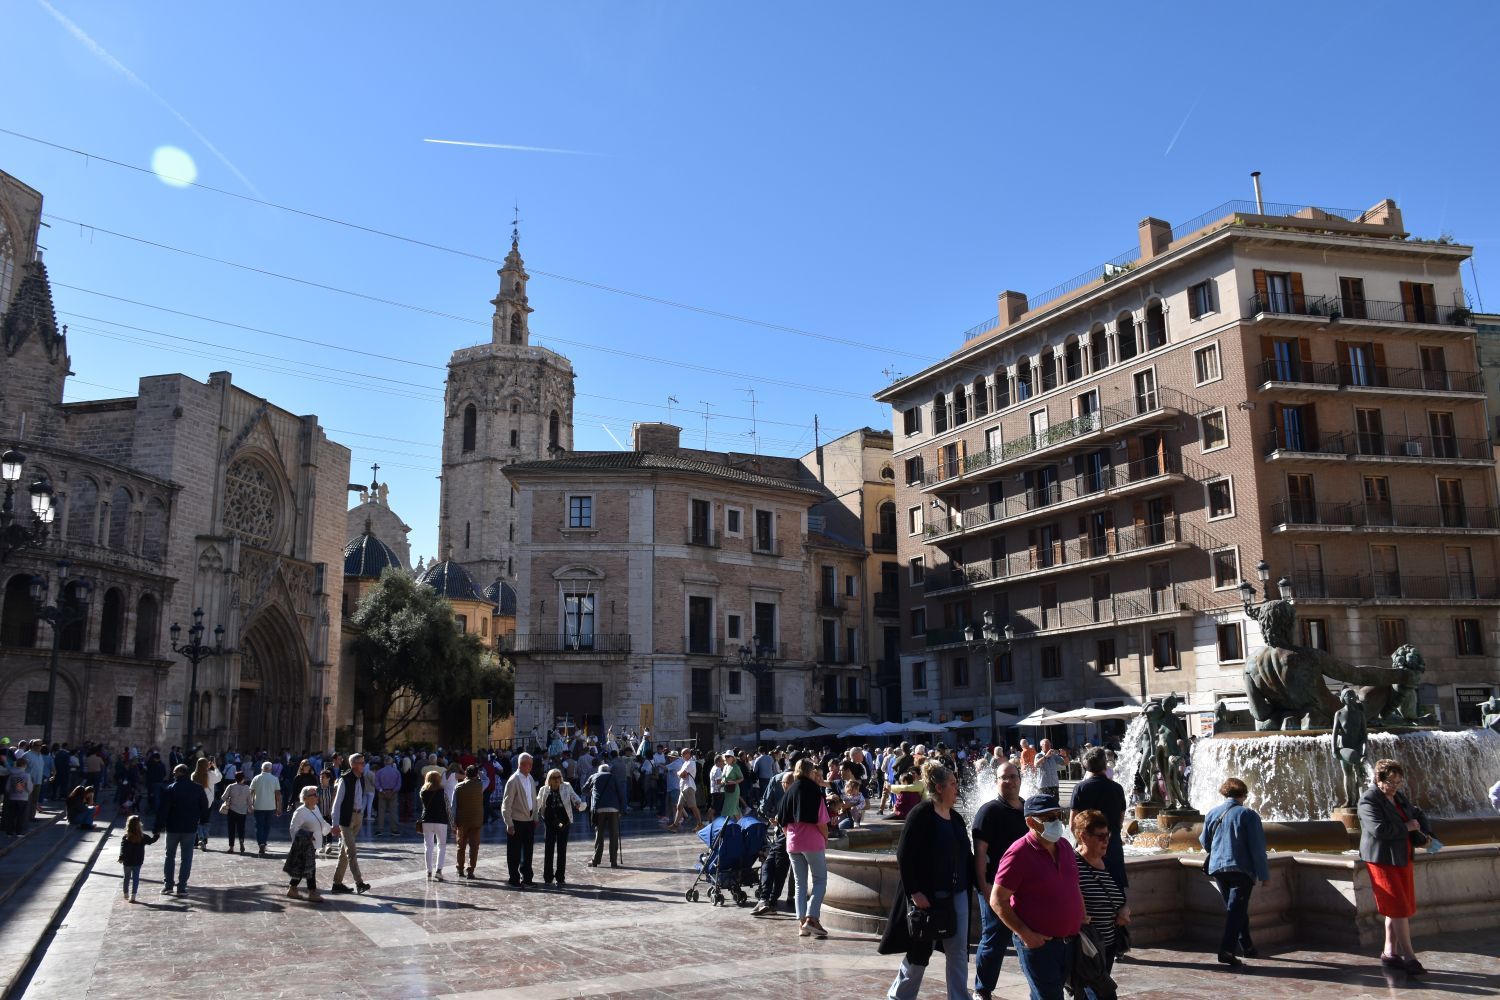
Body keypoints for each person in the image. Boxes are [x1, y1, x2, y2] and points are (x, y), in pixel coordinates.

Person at [879, 761, 974, 1000]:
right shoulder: (921, 814)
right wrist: (914, 892)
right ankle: (899, 996)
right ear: (940, 788)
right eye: (953, 784)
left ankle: (959, 997)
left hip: (958, 893)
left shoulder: (956, 819)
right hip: (929, 895)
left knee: (958, 951)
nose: (957, 789)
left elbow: (965, 855)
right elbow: (904, 855)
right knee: (920, 952)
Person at [991, 794, 1084, 1000]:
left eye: (1058, 815)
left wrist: (1081, 916)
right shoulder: (1018, 853)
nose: (1057, 821)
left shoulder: (1065, 847)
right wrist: (1025, 934)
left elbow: (1073, 884)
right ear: (1031, 822)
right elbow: (997, 900)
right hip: (1040, 946)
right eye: (1049, 817)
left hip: (1069, 944)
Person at [1359, 759, 1429, 975]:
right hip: (1383, 861)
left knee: (1398, 906)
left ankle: (1389, 953)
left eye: (1399, 781)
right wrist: (1406, 827)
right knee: (1398, 907)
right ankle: (1409, 957)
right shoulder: (1368, 800)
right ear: (1378, 779)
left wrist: (1426, 835)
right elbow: (1379, 830)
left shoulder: (1397, 796)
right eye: (1391, 781)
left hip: (1402, 857)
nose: (1395, 786)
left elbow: (1415, 813)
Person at [971, 761, 1028, 1000]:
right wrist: (984, 888)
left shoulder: (1027, 809)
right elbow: (980, 853)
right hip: (996, 887)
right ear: (996, 781)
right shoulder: (988, 811)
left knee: (1030, 936)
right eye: (1004, 777)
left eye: (1013, 776)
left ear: (1020, 779)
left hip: (1026, 887)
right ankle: (982, 988)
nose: (1010, 781)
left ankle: (1044, 981)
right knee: (995, 938)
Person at [1199, 777, 1269, 968]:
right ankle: (1227, 950)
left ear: (1224, 793)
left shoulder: (1212, 813)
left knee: (1237, 909)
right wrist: (1264, 874)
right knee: (1235, 910)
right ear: (1244, 795)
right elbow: (1257, 848)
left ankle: (1247, 946)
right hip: (1241, 869)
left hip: (1218, 869)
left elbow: (1205, 842)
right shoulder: (1248, 815)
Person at [1073, 808, 1129, 993]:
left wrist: (1123, 910)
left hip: (1109, 943)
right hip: (1086, 947)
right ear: (1083, 836)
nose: (1106, 841)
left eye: (1108, 835)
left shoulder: (1110, 862)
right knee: (1100, 993)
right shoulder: (1072, 863)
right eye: (1100, 836)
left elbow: (1121, 896)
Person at [778, 758, 831, 939]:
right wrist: (826, 837)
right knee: (820, 880)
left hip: (792, 842)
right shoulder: (814, 791)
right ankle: (812, 918)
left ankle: (802, 924)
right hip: (812, 841)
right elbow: (822, 821)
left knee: (800, 883)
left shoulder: (789, 790)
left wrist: (789, 837)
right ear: (810, 772)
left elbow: (781, 819)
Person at [1069, 747, 1128, 890]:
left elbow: (1072, 824)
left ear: (1086, 766)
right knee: (1116, 893)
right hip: (1112, 845)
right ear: (1105, 765)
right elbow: (1120, 821)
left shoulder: (1080, 788)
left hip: (1087, 847)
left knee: (1089, 894)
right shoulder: (1117, 788)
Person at [152, 764, 209, 896]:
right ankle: (182, 887)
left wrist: (157, 828)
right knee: (186, 858)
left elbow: (163, 811)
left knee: (169, 856)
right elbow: (204, 806)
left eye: (173, 773)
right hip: (190, 828)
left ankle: (168, 885)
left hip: (172, 827)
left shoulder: (170, 789)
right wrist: (203, 820)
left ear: (177, 773)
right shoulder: (198, 788)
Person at [329, 753, 372, 894]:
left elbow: (360, 797)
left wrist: (362, 813)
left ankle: (337, 882)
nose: (363, 765)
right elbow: (336, 804)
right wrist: (335, 824)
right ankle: (359, 883)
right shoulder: (344, 779)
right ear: (353, 764)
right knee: (351, 851)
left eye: (364, 762)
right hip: (346, 819)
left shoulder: (361, 778)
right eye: (361, 762)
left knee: (344, 852)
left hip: (358, 816)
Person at [536, 767, 586, 886]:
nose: (557, 780)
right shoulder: (543, 790)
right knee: (549, 849)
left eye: (559, 777)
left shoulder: (566, 786)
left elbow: (575, 797)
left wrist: (578, 804)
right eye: (554, 778)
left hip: (564, 822)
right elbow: (537, 802)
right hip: (550, 822)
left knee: (562, 849)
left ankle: (560, 877)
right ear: (549, 779)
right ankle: (548, 877)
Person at [284, 785, 331, 902]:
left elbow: (321, 821)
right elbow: (293, 829)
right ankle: (312, 892)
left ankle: (293, 888)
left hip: (313, 845)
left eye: (316, 794)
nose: (317, 797)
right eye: (314, 795)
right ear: (305, 798)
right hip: (304, 845)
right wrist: (305, 838)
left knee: (302, 868)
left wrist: (331, 829)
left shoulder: (315, 808)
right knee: (310, 868)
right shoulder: (300, 812)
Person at [501, 751, 537, 888]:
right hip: (516, 821)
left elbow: (533, 799)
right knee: (514, 852)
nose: (531, 767)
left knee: (528, 852)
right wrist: (509, 823)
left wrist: (535, 816)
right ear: (522, 765)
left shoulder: (530, 778)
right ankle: (514, 879)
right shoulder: (513, 780)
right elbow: (506, 804)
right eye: (529, 765)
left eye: (531, 765)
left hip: (528, 821)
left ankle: (527, 878)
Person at [584, 761, 624, 868]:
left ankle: (595, 860)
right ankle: (613, 861)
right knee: (614, 835)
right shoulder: (613, 777)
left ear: (599, 770)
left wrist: (592, 791)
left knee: (599, 835)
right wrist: (622, 809)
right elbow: (621, 793)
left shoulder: (594, 776)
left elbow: (584, 789)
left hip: (599, 808)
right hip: (613, 808)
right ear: (608, 770)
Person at [451, 764, 485, 878]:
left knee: (461, 846)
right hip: (476, 820)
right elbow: (487, 779)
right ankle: (471, 870)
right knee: (474, 846)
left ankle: (460, 869)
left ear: (466, 773)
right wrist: (479, 774)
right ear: (476, 774)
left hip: (462, 821)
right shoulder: (480, 785)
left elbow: (453, 806)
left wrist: (453, 823)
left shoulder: (458, 787)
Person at [419, 769, 451, 881]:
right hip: (441, 821)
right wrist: (453, 823)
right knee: (441, 846)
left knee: (428, 846)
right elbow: (448, 809)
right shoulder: (443, 792)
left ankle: (428, 871)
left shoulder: (423, 791)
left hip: (427, 820)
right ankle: (439, 871)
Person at [117, 814, 157, 903]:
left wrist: (121, 857)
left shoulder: (126, 836)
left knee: (126, 877)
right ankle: (133, 895)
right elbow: (151, 841)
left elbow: (123, 848)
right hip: (138, 861)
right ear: (139, 825)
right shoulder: (142, 836)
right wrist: (156, 835)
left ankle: (125, 893)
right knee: (135, 877)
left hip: (127, 861)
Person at [249, 761, 282, 856]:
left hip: (258, 806)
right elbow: (278, 795)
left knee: (259, 826)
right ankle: (264, 842)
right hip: (270, 806)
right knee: (267, 826)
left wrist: (250, 804)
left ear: (262, 769)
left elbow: (251, 792)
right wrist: (279, 807)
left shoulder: (256, 778)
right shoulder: (275, 779)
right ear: (270, 769)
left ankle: (261, 843)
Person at [221, 771, 253, 853]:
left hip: (232, 810)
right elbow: (250, 801)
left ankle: (231, 847)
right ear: (243, 778)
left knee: (231, 829)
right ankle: (241, 842)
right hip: (242, 811)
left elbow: (223, 797)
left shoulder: (231, 786)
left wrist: (229, 799)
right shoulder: (246, 788)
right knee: (241, 829)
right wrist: (251, 809)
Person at [3, 754, 33, 837]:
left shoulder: (12, 775)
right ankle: (19, 832)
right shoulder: (26, 775)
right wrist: (28, 792)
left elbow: (7, 787)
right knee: (21, 816)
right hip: (23, 798)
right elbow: (29, 787)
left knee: (11, 815)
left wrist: (12, 793)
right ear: (24, 765)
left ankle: (10, 832)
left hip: (12, 798)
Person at [374, 755, 402, 837]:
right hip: (393, 792)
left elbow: (376, 783)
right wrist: (393, 791)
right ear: (392, 762)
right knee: (393, 812)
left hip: (382, 792)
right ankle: (394, 830)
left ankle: (380, 830)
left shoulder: (379, 772)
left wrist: (382, 791)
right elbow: (399, 783)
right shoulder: (396, 772)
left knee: (381, 812)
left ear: (384, 762)